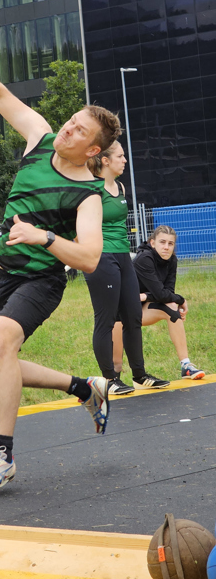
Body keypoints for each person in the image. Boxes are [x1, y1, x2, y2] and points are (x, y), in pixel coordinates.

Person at [0, 36, 121, 490]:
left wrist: (44, 236)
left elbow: (89, 258)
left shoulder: (88, 195)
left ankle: (3, 455)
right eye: (71, 122)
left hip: (42, 279)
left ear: (93, 151)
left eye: (79, 132)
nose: (68, 130)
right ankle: (83, 388)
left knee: (2, 337)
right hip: (5, 273)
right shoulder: (39, 138)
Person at [84, 142, 170, 395]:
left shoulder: (120, 186)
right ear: (106, 160)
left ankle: (140, 375)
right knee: (107, 320)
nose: (125, 160)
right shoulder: (91, 189)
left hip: (123, 256)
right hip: (101, 257)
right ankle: (109, 379)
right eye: (120, 156)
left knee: (132, 316)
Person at [113, 225, 205, 381]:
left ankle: (186, 366)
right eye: (162, 242)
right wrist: (182, 299)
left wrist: (145, 297)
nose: (166, 247)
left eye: (170, 243)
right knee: (116, 367)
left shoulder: (172, 260)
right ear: (152, 242)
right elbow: (161, 293)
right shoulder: (144, 259)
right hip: (121, 313)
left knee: (171, 307)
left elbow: (167, 293)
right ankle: (111, 382)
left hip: (142, 308)